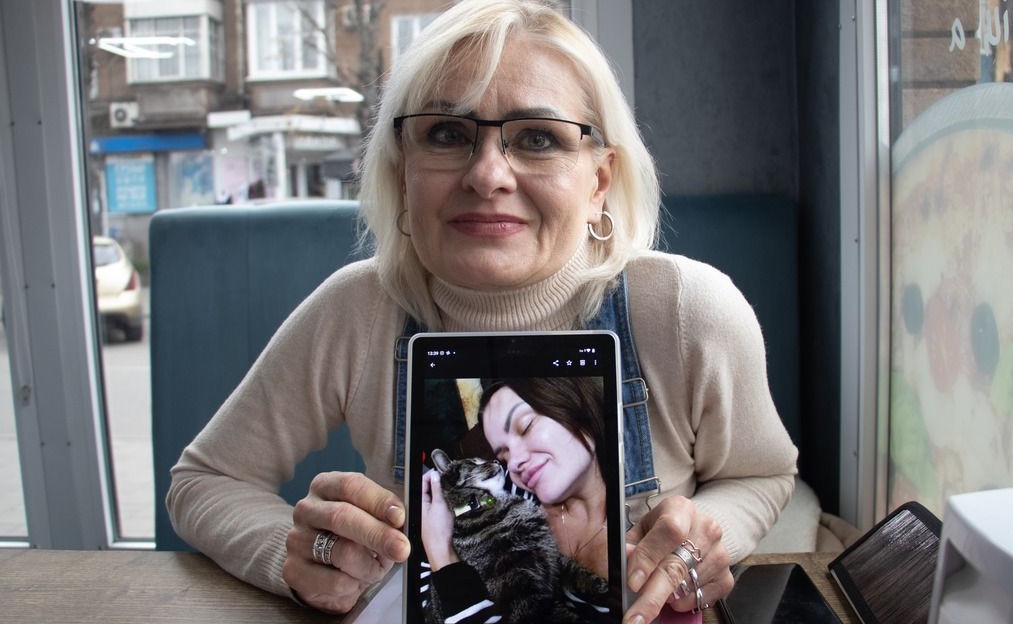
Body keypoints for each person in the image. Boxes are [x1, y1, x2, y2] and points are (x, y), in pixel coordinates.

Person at [166, 1, 799, 622]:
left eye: (538, 138)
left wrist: (706, 543)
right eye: (446, 133)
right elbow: (204, 480)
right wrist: (293, 556)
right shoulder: (356, 311)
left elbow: (762, 474)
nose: (488, 173)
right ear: (403, 171)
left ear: (598, 182)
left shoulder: (690, 311)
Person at [420, 378, 612, 622]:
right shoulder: (508, 488)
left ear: (574, 405)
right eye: (503, 453)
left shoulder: (635, 528)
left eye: (526, 426)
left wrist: (444, 560)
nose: (513, 463)